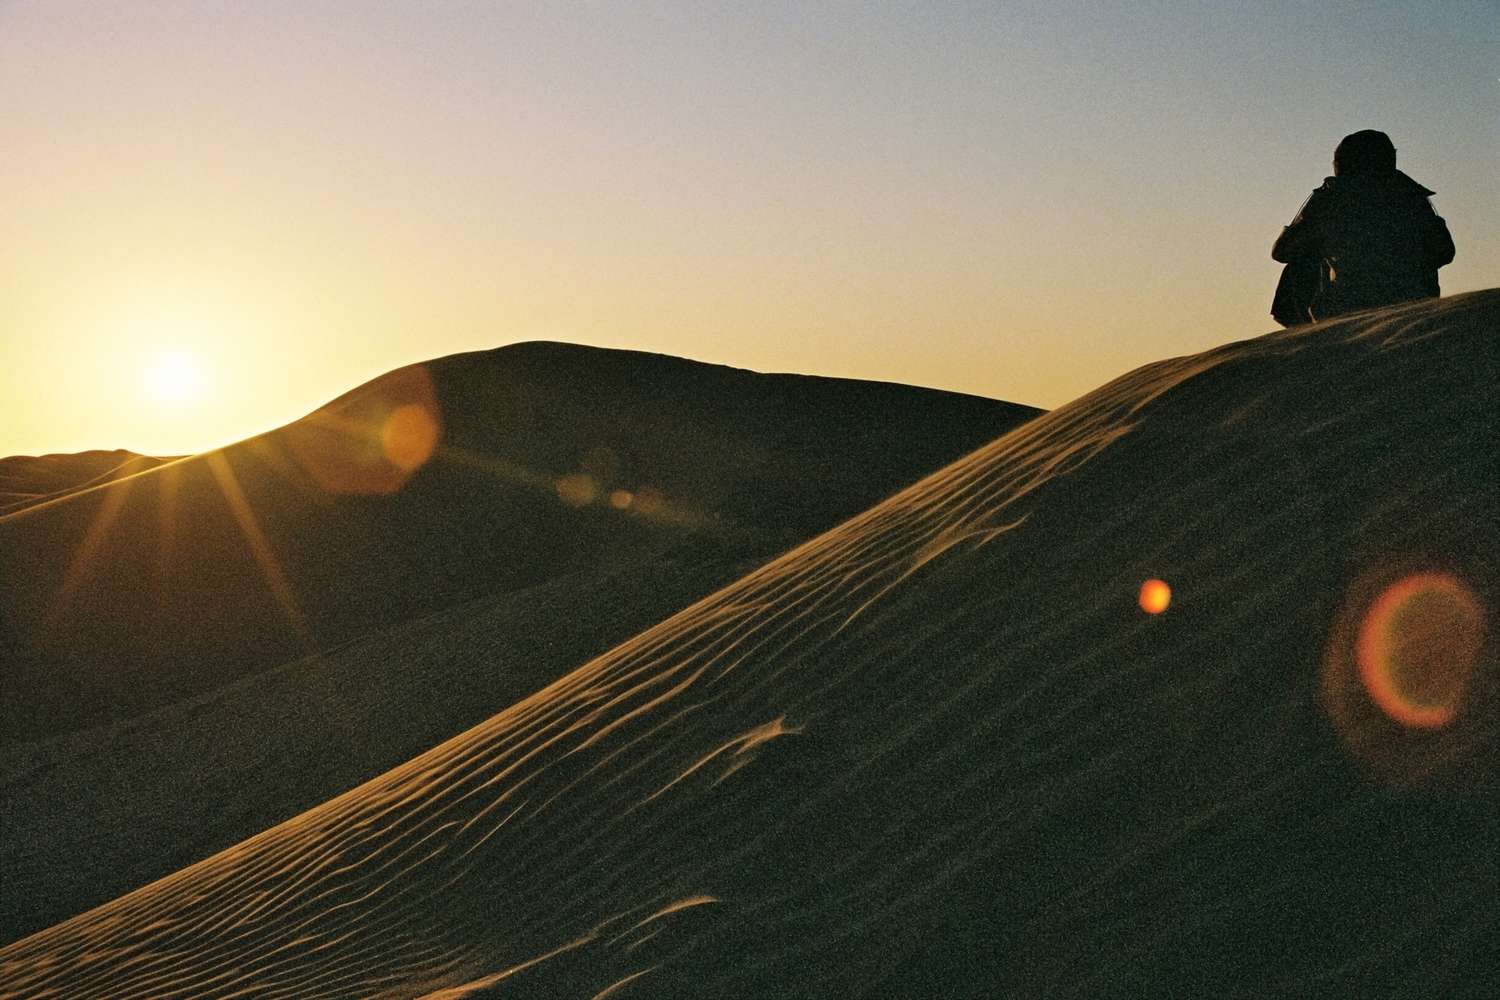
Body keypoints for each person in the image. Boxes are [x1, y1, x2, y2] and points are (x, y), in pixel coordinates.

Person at [1271, 130, 1455, 325]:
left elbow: (1282, 251)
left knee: (1301, 262)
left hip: (1346, 307)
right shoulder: (1411, 196)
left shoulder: (1331, 199)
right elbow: (1444, 252)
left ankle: (1307, 339)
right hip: (1415, 304)